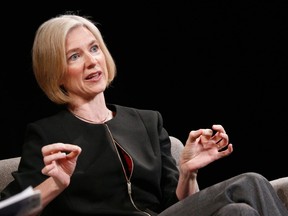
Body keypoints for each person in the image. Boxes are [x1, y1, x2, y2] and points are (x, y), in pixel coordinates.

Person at [0, 13, 287, 216]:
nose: (91, 61)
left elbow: (175, 206)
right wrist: (56, 184)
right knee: (250, 182)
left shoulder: (148, 122)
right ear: (56, 72)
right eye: (74, 56)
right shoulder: (47, 135)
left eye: (94, 48)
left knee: (238, 211)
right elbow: (8, 210)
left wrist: (188, 173)